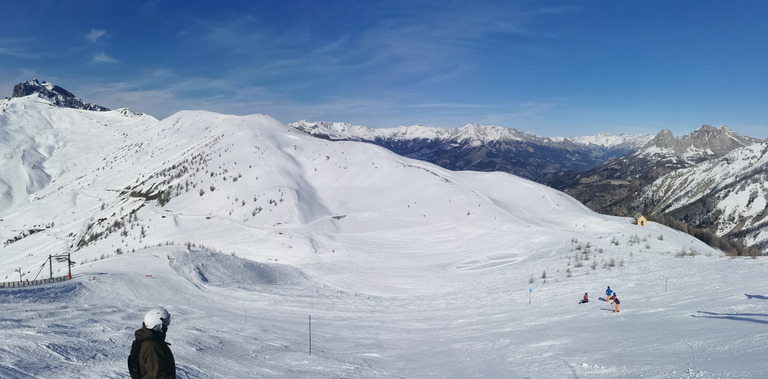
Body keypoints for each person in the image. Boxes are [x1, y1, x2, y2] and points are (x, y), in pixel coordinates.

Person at [134, 307, 176, 378]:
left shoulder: (152, 340)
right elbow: (158, 375)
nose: (167, 326)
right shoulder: (151, 346)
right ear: (157, 324)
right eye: (165, 322)